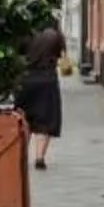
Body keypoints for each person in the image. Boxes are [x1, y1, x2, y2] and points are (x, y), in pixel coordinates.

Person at [19, 16, 66, 169]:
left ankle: (21, 156)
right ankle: (39, 157)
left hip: (26, 80)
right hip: (48, 80)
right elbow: (59, 55)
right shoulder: (55, 36)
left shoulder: (25, 34)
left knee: (25, 119)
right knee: (45, 120)